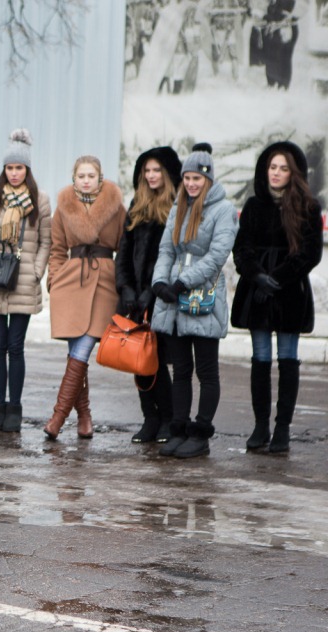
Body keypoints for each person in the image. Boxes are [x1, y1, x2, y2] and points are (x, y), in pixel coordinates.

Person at [231, 141, 322, 453]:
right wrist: (257, 276)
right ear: (264, 169)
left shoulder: (308, 207)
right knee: (260, 358)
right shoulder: (254, 205)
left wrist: (277, 279)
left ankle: (282, 429)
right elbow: (241, 248)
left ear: (293, 172)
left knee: (287, 357)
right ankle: (260, 426)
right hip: (257, 291)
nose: (277, 173)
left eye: (283, 168)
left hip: (290, 293)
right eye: (273, 167)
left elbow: (311, 253)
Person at [151, 143, 239, 458]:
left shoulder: (223, 210)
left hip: (203, 300)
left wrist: (181, 281)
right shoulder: (178, 209)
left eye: (197, 179)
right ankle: (179, 428)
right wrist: (160, 282)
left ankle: (200, 434)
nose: (191, 184)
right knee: (181, 370)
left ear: (208, 180)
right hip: (174, 302)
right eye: (187, 178)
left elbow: (217, 256)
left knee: (206, 370)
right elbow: (166, 250)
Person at [0, 130, 51, 432]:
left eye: (19, 168)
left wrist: (36, 271)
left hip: (22, 281)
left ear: (27, 170)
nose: (14, 173)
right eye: (10, 168)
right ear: (3, 170)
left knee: (15, 346)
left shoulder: (40, 201)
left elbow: (47, 241)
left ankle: (15, 408)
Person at [44, 155, 125, 440]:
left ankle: (57, 417)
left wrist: (123, 282)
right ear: (74, 179)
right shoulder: (63, 207)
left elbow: (124, 246)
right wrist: (54, 279)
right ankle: (85, 416)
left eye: (92, 175)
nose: (86, 180)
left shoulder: (116, 206)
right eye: (82, 176)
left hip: (104, 282)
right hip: (71, 284)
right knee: (75, 351)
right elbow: (56, 249)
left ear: (100, 178)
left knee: (83, 349)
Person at [116, 147, 182, 444]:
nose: (152, 176)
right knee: (137, 360)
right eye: (147, 171)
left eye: (157, 170)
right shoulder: (136, 205)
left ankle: (167, 419)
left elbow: (171, 258)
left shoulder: (176, 207)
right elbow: (124, 252)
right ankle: (150, 419)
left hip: (160, 298)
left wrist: (149, 293)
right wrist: (126, 288)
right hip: (134, 299)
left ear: (167, 174)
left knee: (157, 362)